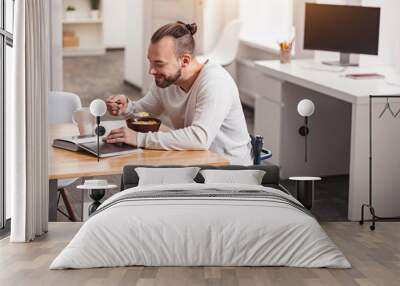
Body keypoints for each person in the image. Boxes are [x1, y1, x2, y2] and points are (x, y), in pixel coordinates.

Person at [105, 21, 252, 165]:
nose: (151, 70)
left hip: (229, 171)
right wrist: (127, 107)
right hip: (197, 162)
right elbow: (146, 111)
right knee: (135, 174)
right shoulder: (168, 80)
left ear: (185, 61)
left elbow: (199, 138)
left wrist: (139, 138)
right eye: (150, 62)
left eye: (159, 63)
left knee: (144, 176)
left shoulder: (215, 83)